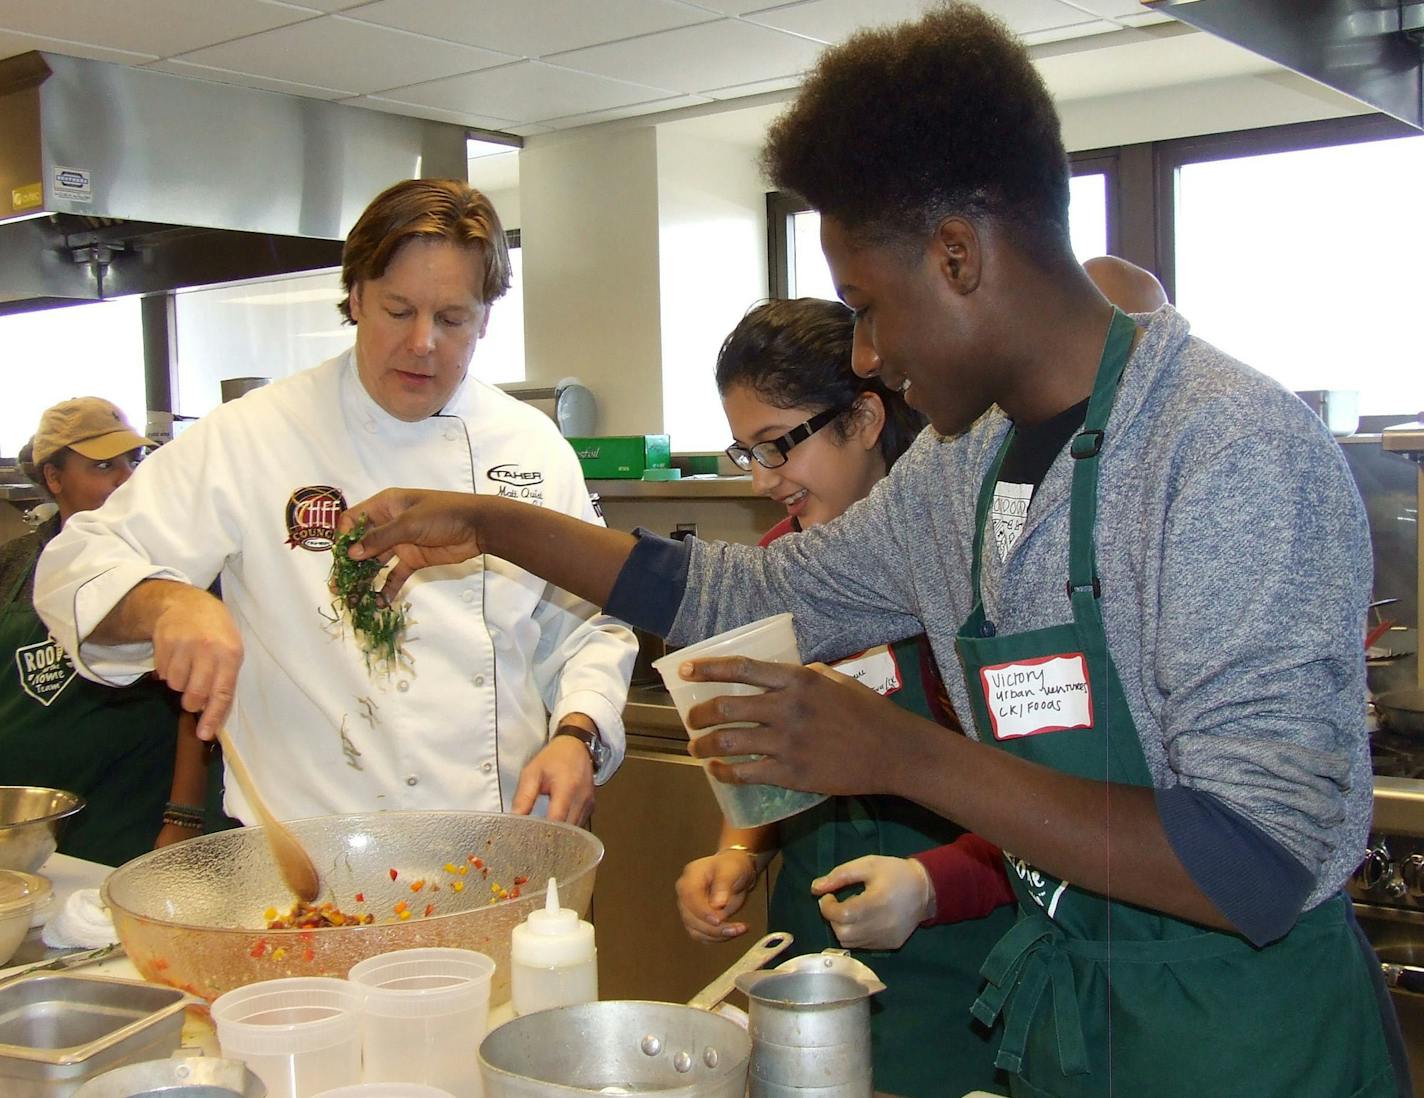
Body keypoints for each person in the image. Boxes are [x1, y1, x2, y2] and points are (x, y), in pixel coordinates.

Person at [331, 8, 1405, 1096]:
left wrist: (897, 755)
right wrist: (494, 524)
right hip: (1081, 1026)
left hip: (1250, 1046)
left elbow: (1254, 858)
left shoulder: (1224, 450)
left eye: (865, 305)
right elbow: (742, 588)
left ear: (956, 253)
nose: (865, 354)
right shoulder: (962, 469)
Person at [34, 179, 637, 827]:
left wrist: (578, 734)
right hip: (310, 867)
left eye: (453, 319)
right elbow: (75, 563)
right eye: (398, 311)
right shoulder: (257, 434)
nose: (422, 343)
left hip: (499, 848)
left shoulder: (532, 445)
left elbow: (591, 627)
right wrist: (166, 602)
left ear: (486, 318)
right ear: (355, 297)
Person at [674, 297, 1014, 1097]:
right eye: (744, 453)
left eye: (776, 446)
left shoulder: (965, 576)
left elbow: (1045, 802)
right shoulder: (774, 567)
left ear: (864, 418)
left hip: (961, 969)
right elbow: (763, 767)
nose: (762, 481)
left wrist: (933, 885)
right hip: (807, 958)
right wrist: (738, 853)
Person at [0, 398, 209, 864]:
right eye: (102, 466)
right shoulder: (13, 564)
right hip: (23, 815)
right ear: (54, 478)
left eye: (132, 461)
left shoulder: (168, 570)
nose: (126, 479)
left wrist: (183, 819)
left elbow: (198, 706)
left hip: (129, 814)